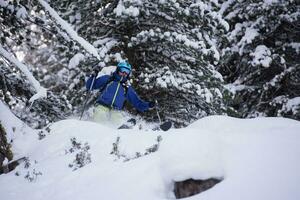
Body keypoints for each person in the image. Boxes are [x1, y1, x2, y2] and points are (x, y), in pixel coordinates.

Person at [86, 61, 155, 127]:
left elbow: (137, 102)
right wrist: (93, 76)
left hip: (115, 109)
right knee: (100, 114)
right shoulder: (108, 79)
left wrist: (148, 105)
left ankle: (121, 131)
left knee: (117, 120)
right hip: (102, 105)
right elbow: (90, 86)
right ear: (118, 69)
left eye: (127, 71)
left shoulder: (126, 87)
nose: (124, 73)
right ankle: (99, 130)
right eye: (123, 70)